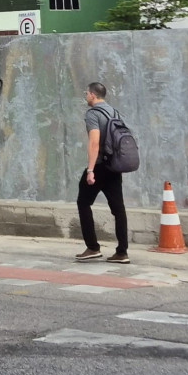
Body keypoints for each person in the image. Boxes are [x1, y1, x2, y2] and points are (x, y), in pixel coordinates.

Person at [74, 81, 131, 264]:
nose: (86, 96)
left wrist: (91, 170)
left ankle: (93, 247)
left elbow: (94, 143)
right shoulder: (114, 112)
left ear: (92, 95)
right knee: (118, 208)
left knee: (83, 202)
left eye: (86, 93)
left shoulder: (92, 114)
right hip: (115, 166)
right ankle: (122, 252)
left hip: (99, 166)